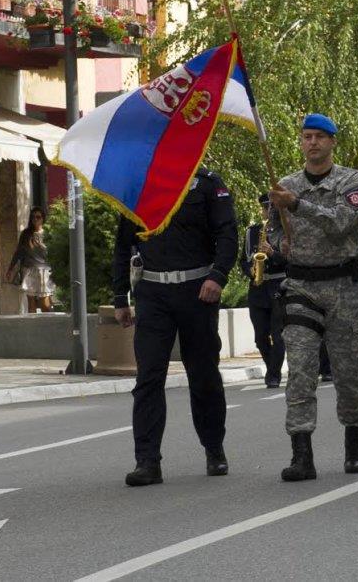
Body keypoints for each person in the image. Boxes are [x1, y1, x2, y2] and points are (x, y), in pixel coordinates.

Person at [112, 167, 238, 487]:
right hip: (153, 294)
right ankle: (147, 461)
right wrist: (119, 297)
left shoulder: (208, 184)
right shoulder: (138, 185)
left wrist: (218, 275)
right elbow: (123, 244)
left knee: (204, 375)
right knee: (149, 377)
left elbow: (227, 232)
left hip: (198, 290)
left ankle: (214, 448)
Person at [268, 112, 358, 482]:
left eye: (319, 137)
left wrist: (297, 205)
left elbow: (341, 222)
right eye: (306, 137)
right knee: (299, 371)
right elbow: (273, 233)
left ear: (332, 142)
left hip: (343, 287)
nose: (312, 143)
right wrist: (283, 243)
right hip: (301, 288)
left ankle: (354, 439)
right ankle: (301, 454)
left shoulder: (353, 182)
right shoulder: (285, 184)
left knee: (347, 373)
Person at [241, 194, 288, 388]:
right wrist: (251, 271)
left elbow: (291, 260)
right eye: (265, 207)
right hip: (258, 287)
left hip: (278, 285)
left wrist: (272, 253)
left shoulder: (285, 231)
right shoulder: (252, 232)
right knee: (260, 336)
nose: (268, 211)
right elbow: (242, 260)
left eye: (272, 207)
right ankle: (272, 368)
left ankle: (273, 375)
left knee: (278, 335)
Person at [6, 207, 55, 313]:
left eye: (38, 217)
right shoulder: (26, 234)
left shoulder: (48, 233)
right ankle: (33, 327)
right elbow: (18, 252)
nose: (35, 219)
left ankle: (47, 327)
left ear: (43, 219)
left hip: (44, 271)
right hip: (29, 270)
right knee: (31, 305)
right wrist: (10, 268)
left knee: (45, 305)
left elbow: (54, 253)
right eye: (33, 217)